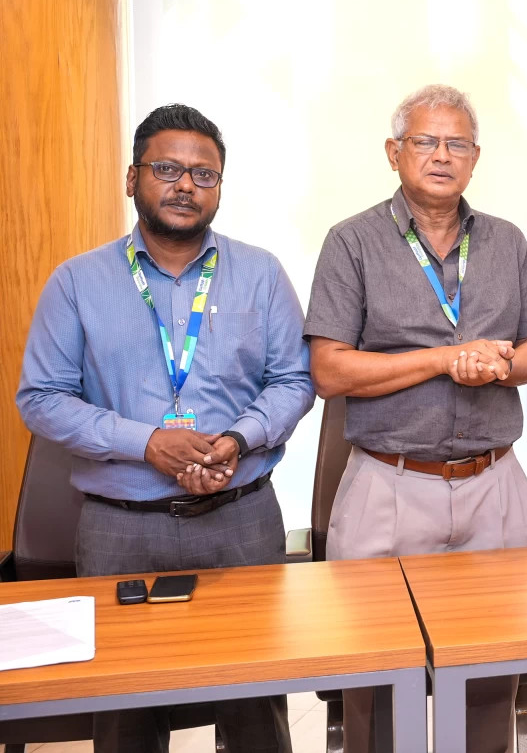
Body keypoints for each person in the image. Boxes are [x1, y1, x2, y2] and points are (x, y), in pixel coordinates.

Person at [17, 103, 313, 753]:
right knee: (125, 713)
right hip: (122, 526)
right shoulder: (77, 282)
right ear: (132, 178)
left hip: (241, 518)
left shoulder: (261, 273)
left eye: (204, 174)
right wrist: (146, 442)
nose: (185, 185)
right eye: (167, 169)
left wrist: (238, 439)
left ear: (219, 188)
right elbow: (41, 398)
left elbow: (295, 379)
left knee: (257, 708)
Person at [304, 83, 527, 753]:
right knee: (380, 681)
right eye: (426, 141)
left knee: (491, 673)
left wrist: (497, 364)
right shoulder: (352, 241)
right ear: (394, 153)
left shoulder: (506, 241)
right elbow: (329, 370)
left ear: (475, 158)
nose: (442, 155)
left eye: (457, 144)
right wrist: (444, 359)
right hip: (389, 483)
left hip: (492, 484)